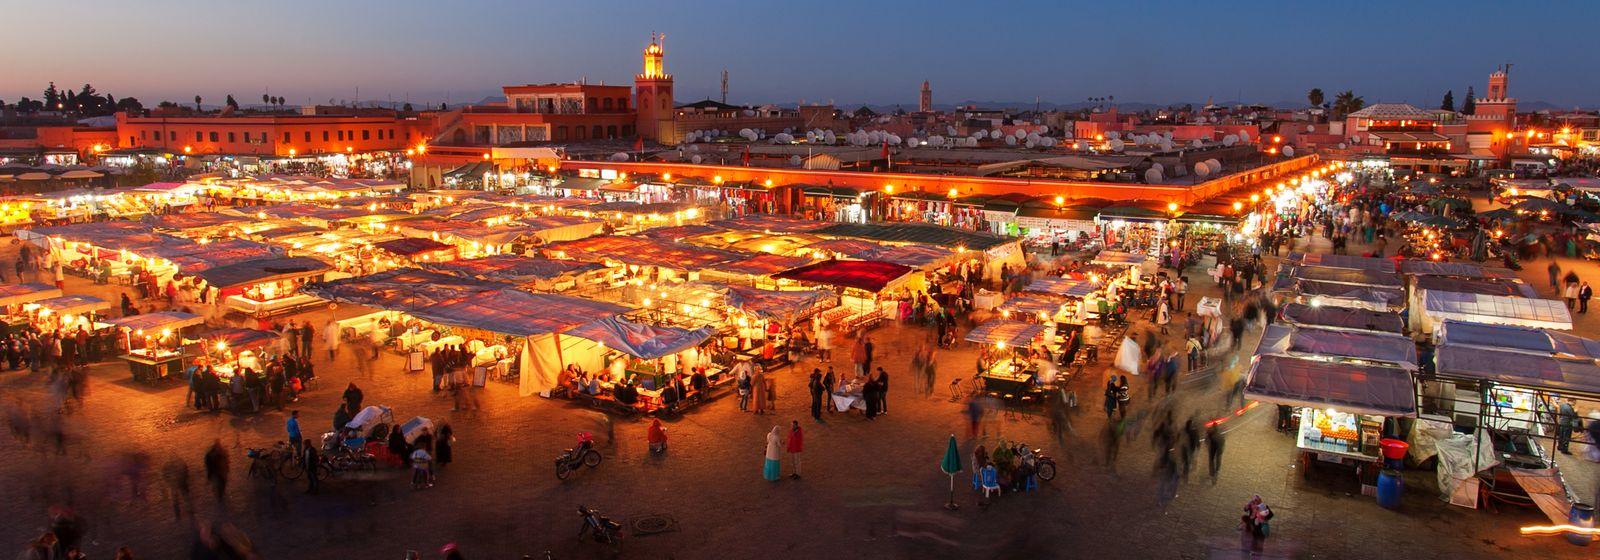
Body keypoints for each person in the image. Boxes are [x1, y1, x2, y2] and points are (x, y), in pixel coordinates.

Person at [204, 439, 228, 504]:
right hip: (216, 473)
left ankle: (220, 494)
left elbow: (226, 461)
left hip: (220, 472)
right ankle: (219, 495)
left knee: (221, 484)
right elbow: (208, 464)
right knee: (218, 485)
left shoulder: (222, 452)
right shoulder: (211, 455)